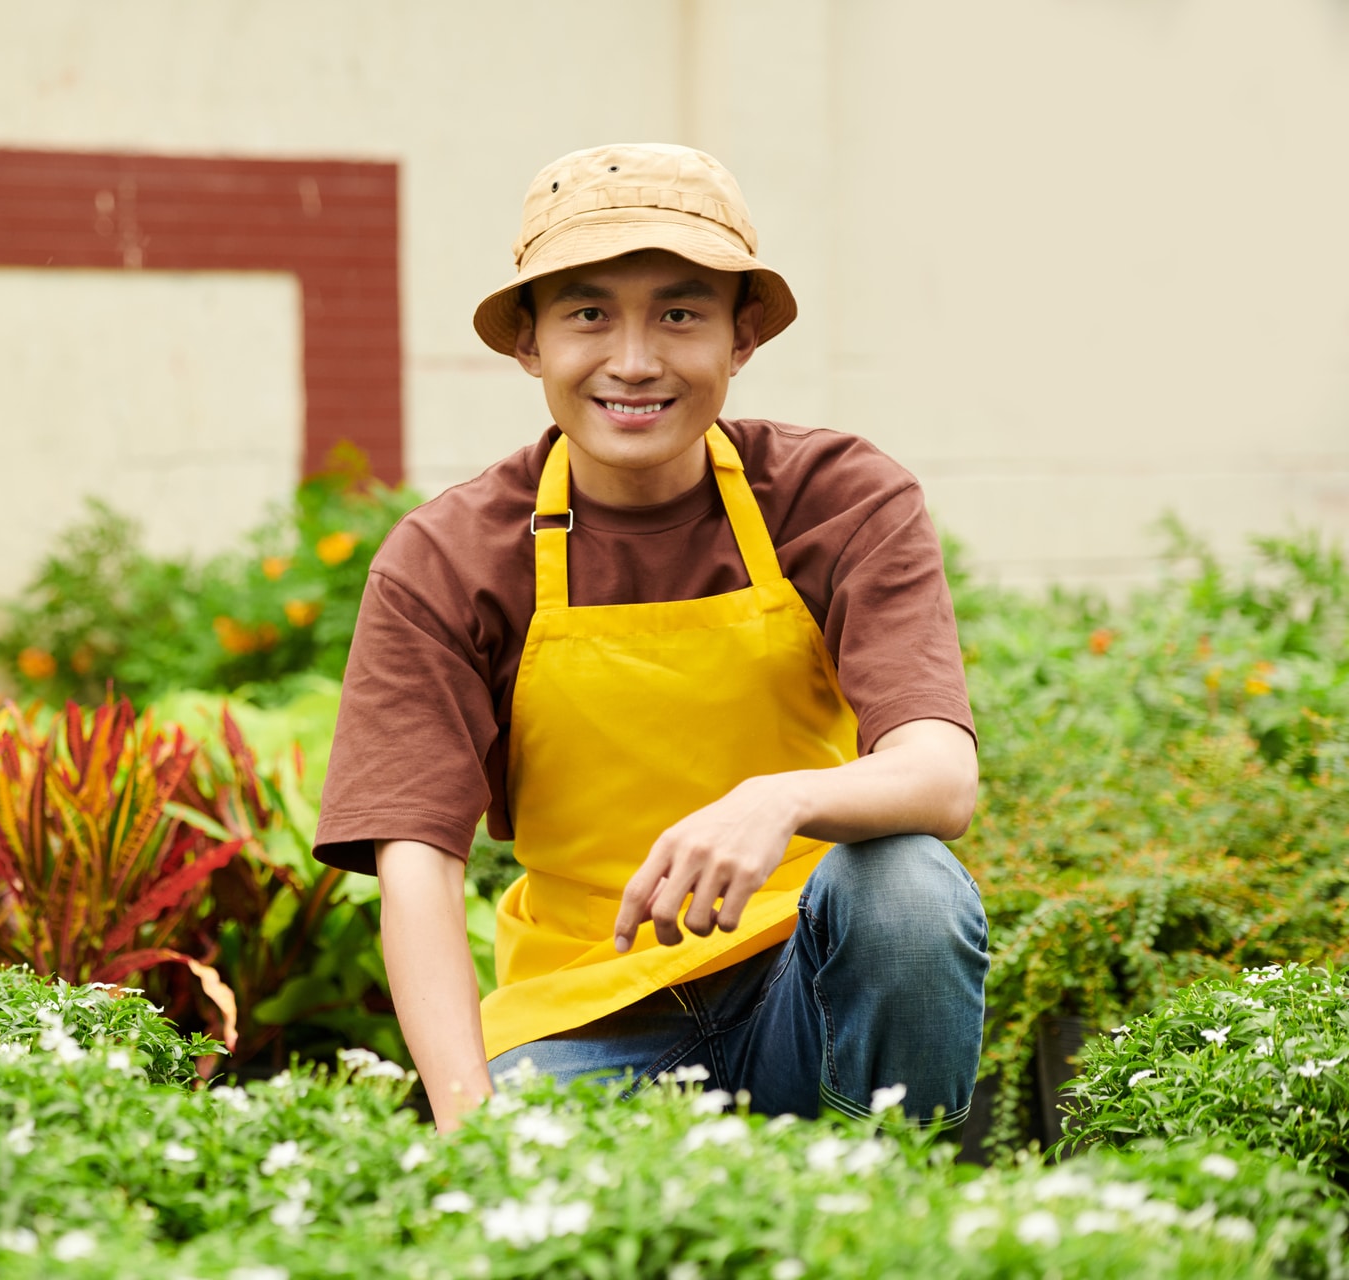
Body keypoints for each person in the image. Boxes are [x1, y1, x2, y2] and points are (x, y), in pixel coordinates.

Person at [312, 143, 988, 1134]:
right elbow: (418, 866)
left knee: (905, 883)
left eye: (679, 312)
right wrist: (469, 1131)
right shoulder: (448, 558)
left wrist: (781, 797)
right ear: (530, 343)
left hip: (807, 991)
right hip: (584, 1023)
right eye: (589, 312)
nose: (635, 359)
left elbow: (941, 776)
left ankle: (886, 1205)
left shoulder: (832, 498)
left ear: (742, 334)